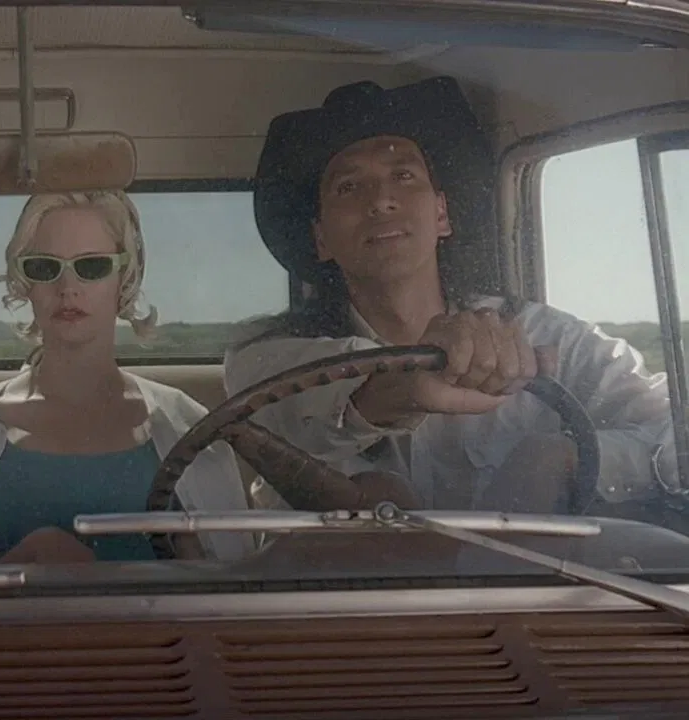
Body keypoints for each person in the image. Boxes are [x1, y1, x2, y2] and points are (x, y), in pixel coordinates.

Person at [225, 75, 678, 516]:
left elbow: (672, 427)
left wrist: (568, 457)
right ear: (320, 237)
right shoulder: (265, 359)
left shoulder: (549, 337)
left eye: (403, 175)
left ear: (442, 213)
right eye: (349, 187)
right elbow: (280, 408)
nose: (381, 200)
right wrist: (398, 388)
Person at [0, 190, 255, 566]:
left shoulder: (186, 425)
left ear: (124, 279)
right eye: (44, 267)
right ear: (24, 282)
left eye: (92, 266)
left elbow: (222, 584)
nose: (68, 288)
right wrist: (31, 557)